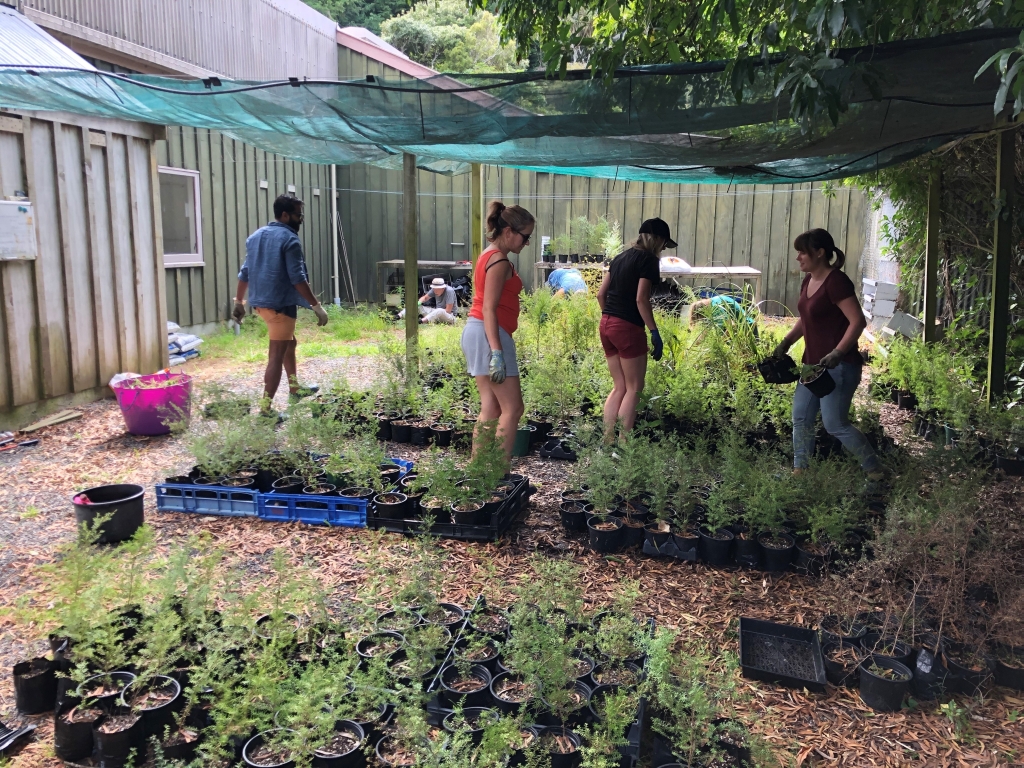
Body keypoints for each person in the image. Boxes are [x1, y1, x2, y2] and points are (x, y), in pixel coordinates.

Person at [771, 228, 883, 479]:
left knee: (835, 424)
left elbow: (857, 322)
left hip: (839, 367)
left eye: (802, 253)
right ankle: (801, 470)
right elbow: (806, 318)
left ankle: (874, 470)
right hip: (813, 366)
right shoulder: (808, 280)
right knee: (801, 417)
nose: (798, 258)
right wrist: (787, 341)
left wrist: (838, 352)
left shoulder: (836, 282)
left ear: (820, 253)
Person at [233, 195, 329, 416]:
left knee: (289, 343)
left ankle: (294, 388)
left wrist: (239, 301)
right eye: (298, 215)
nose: (301, 220)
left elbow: (244, 272)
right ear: (285, 215)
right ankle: (266, 411)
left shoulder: (256, 237)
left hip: (261, 305)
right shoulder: (290, 239)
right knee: (275, 355)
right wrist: (316, 306)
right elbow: (297, 278)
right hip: (280, 306)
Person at [461, 201, 534, 461]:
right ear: (508, 232)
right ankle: (497, 472)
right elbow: (489, 308)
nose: (526, 243)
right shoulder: (499, 261)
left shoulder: (487, 254)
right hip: (489, 333)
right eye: (525, 237)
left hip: (478, 331)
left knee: (491, 408)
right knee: (513, 409)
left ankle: (479, 471)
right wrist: (497, 352)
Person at [597, 218, 675, 441]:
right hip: (628, 328)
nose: (662, 249)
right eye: (663, 244)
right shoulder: (648, 260)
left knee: (619, 386)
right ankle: (623, 446)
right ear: (656, 239)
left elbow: (600, 294)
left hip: (606, 324)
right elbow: (641, 299)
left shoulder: (619, 258)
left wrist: (612, 316)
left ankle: (608, 440)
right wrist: (654, 331)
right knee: (634, 388)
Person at [690, 294, 754, 328]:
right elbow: (706, 331)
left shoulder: (716, 307)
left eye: (702, 318)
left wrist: (720, 342)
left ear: (704, 312)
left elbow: (732, 326)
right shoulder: (713, 301)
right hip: (743, 327)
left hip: (747, 328)